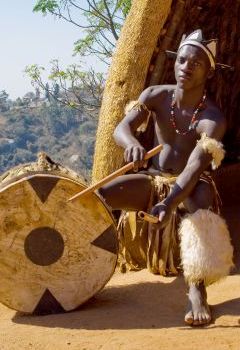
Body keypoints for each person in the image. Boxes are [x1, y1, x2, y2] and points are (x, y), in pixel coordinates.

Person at [98, 29, 233, 326]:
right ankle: (83, 267)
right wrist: (131, 142)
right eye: (182, 60)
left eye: (196, 63)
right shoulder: (155, 96)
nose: (186, 67)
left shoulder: (212, 119)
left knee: (200, 201)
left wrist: (170, 203)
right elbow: (121, 128)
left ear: (209, 72)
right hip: (154, 179)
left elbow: (195, 167)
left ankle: (197, 290)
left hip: (190, 185)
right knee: (102, 197)